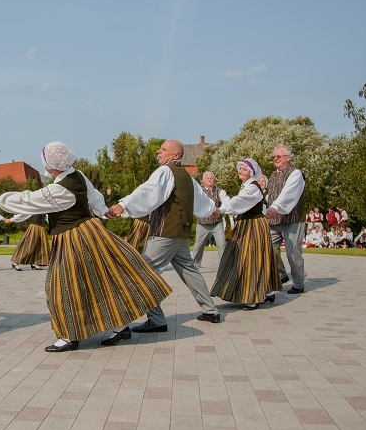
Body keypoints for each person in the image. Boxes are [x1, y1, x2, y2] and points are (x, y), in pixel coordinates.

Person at [0, 141, 172, 352]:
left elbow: (28, 200)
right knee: (98, 282)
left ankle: (70, 335)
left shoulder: (60, 189)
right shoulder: (76, 175)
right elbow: (95, 196)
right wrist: (103, 210)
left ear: (50, 165)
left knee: (61, 287)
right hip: (89, 233)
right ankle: (120, 327)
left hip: (74, 238)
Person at [106, 139, 222, 330]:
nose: (159, 151)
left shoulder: (165, 172)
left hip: (164, 234)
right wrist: (215, 210)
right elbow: (203, 202)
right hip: (181, 235)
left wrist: (123, 205)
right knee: (190, 271)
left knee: (144, 273)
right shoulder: (188, 178)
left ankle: (157, 320)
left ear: (175, 155)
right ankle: (211, 311)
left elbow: (148, 192)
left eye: (164, 149)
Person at [210, 159, 279, 310]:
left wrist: (220, 210)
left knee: (250, 258)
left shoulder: (252, 188)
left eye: (244, 169)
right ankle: (266, 291)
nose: (241, 171)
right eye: (240, 169)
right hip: (246, 224)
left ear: (252, 172)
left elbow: (238, 202)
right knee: (245, 257)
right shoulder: (247, 186)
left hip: (253, 225)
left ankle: (253, 297)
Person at [265, 144, 306, 294]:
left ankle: (299, 283)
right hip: (275, 221)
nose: (275, 159)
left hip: (293, 219)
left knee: (292, 252)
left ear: (287, 158)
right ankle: (281, 274)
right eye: (274, 157)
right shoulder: (272, 176)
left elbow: (288, 194)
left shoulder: (295, 174)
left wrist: (274, 207)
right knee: (269, 249)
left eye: (279, 156)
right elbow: (269, 195)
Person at [191, 171, 230, 269]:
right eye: (207, 178)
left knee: (222, 244)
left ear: (214, 180)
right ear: (204, 180)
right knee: (198, 246)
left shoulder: (220, 191)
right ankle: (194, 266)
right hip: (202, 223)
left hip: (217, 223)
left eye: (211, 178)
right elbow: (194, 203)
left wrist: (220, 210)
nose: (209, 180)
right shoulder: (199, 191)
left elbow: (227, 202)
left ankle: (224, 266)